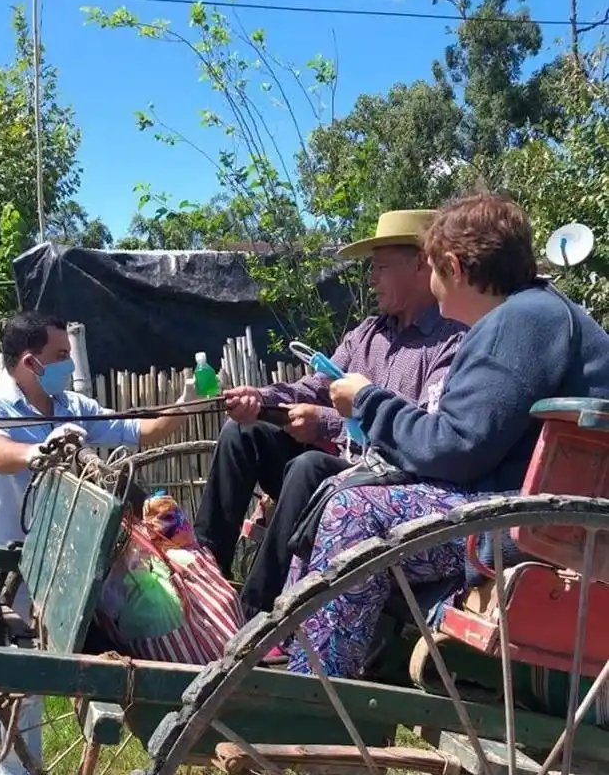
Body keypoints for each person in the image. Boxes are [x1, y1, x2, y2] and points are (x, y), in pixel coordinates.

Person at [282, 193, 609, 677]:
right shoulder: (531, 316)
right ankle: (311, 655)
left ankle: (313, 688)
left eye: (433, 271)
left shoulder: (519, 323)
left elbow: (455, 447)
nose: (433, 289)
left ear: (453, 267)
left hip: (541, 522)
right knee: (350, 490)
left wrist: (369, 402)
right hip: (549, 511)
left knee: (355, 511)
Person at [0, 311, 194, 775]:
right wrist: (37, 452)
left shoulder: (73, 407)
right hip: (7, 563)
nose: (69, 364)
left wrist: (188, 400)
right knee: (22, 680)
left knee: (53, 668)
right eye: (62, 357)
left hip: (66, 557)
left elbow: (142, 430)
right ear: (29, 361)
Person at [193, 209, 467, 620]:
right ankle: (201, 577)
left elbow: (425, 431)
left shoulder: (451, 342)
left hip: (387, 485)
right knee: (242, 432)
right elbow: (314, 386)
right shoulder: (367, 334)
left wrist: (327, 424)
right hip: (340, 471)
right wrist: (262, 399)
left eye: (379, 266)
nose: (370, 278)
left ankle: (256, 618)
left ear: (420, 263)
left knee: (310, 467)